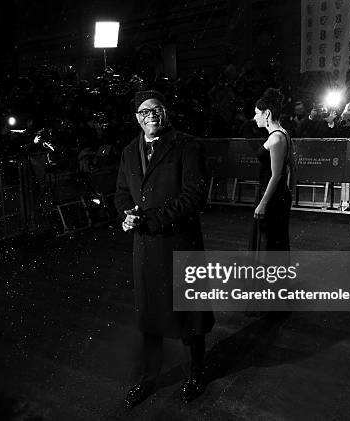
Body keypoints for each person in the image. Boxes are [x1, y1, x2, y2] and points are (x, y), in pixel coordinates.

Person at [114, 90, 215, 406]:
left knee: (189, 314)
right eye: (144, 112)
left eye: (156, 109)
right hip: (145, 248)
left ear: (166, 112)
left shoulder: (188, 145)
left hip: (180, 242)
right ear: (137, 118)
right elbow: (120, 193)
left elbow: (194, 198)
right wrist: (127, 215)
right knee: (150, 316)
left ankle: (196, 373)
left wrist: (150, 220)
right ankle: (148, 378)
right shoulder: (130, 151)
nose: (151, 115)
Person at [250, 88, 295, 252]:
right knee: (276, 241)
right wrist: (289, 192)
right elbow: (292, 168)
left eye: (257, 113)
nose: (254, 117)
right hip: (279, 195)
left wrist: (263, 203)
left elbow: (276, 175)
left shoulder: (276, 138)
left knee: (269, 242)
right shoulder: (284, 134)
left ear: (267, 113)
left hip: (271, 197)